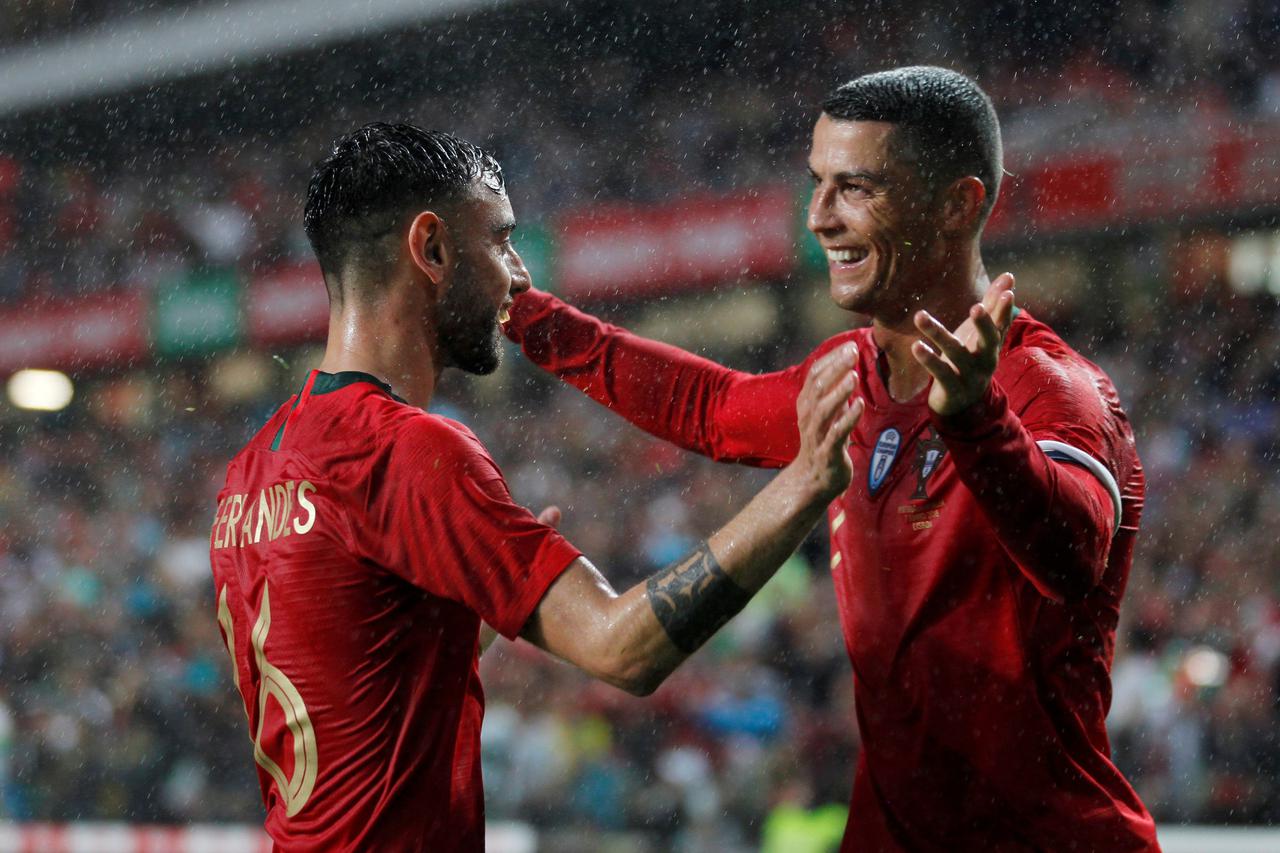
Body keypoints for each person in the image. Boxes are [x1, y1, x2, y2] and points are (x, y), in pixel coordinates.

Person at [504, 67, 1160, 851]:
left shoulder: (1051, 388)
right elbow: (711, 408)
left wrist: (979, 423)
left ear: (960, 203)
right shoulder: (850, 374)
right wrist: (526, 316)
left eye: (857, 188)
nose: (819, 217)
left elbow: (1073, 553)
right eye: (817, 183)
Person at [207, 122, 861, 852]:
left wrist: (456, 628)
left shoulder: (250, 470)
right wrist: (801, 486)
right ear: (431, 248)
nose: (517, 275)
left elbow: (342, 681)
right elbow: (623, 649)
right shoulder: (406, 449)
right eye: (500, 241)